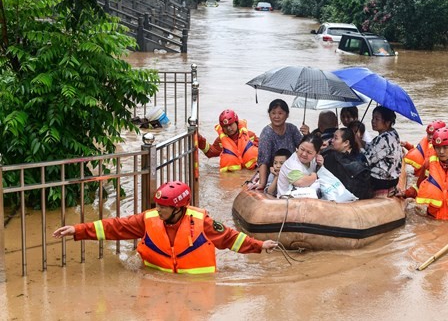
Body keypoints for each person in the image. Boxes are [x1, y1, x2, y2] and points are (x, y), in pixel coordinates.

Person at [52, 182, 278, 274]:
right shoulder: (148, 219)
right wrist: (78, 230)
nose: (158, 210)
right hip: (154, 277)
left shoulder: (202, 222)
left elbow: (230, 239)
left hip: (197, 287)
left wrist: (260, 245)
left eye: (164, 207)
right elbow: (116, 226)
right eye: (158, 205)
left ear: (179, 208)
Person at [253, 99, 304, 191]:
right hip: (274, 171)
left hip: (291, 169)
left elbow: (303, 149)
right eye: (273, 113)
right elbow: (263, 161)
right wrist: (262, 183)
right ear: (269, 115)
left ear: (287, 115)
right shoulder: (266, 133)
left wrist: (307, 135)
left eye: (280, 113)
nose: (276, 116)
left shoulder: (292, 129)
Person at [363, 106, 403, 197]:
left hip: (381, 180)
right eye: (373, 118)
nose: (373, 121)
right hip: (392, 178)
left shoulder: (384, 138)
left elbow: (366, 160)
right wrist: (359, 142)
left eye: (377, 119)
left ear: (387, 122)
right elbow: (374, 147)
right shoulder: (393, 133)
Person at [323, 128, 372, 199]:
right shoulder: (361, 158)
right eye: (332, 137)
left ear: (346, 143)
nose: (331, 140)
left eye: (335, 138)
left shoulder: (330, 156)